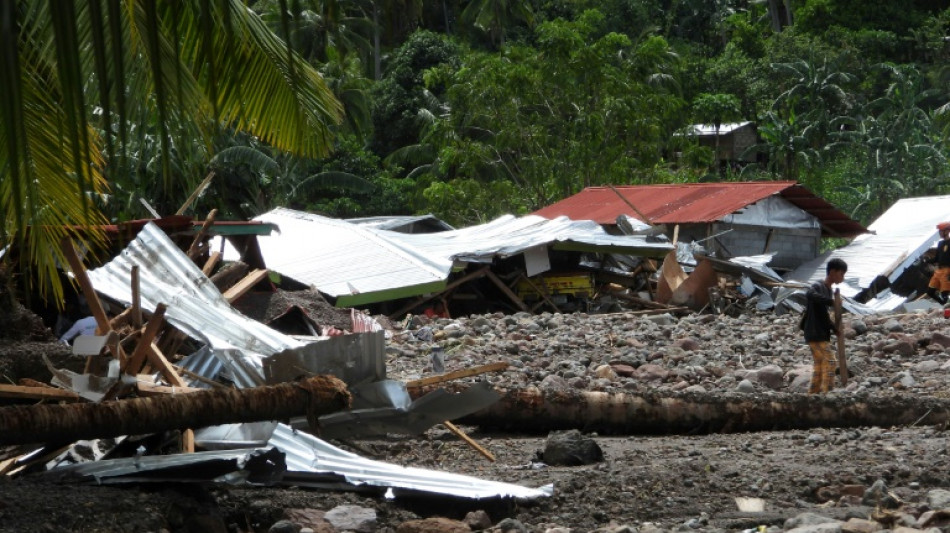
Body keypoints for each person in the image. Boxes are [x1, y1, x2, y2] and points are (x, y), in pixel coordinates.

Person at [801, 258, 848, 394]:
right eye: (841, 274)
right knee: (831, 361)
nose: (842, 278)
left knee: (820, 365)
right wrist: (831, 302)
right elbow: (809, 294)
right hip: (815, 332)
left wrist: (834, 328)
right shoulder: (818, 286)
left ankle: (812, 396)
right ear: (832, 272)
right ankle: (827, 394)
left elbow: (824, 314)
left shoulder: (828, 290)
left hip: (819, 332)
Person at [928, 222, 950, 305]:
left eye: (941, 231)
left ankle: (946, 308)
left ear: (947, 231)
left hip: (947, 270)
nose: (939, 233)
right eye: (939, 231)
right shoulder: (940, 243)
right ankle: (944, 305)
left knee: (945, 293)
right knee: (930, 292)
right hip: (939, 270)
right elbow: (937, 258)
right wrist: (926, 261)